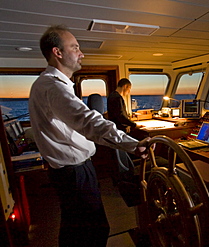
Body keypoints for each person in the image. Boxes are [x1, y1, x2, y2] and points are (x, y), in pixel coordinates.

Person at [28, 25, 150, 247]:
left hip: (70, 171)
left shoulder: (46, 84)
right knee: (93, 231)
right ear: (58, 52)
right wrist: (133, 145)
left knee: (75, 228)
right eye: (75, 47)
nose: (81, 53)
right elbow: (89, 122)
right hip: (74, 173)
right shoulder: (54, 88)